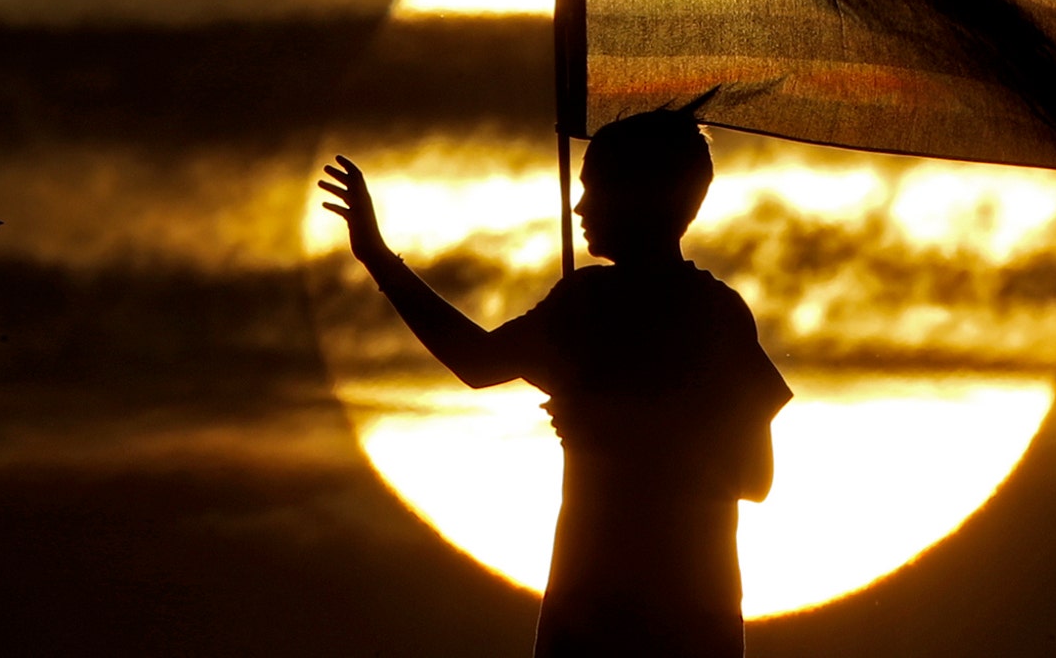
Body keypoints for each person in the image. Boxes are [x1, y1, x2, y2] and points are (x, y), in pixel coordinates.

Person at [319, 108, 791, 657]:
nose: (580, 206)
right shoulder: (676, 309)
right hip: (652, 614)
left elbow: (753, 477)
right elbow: (476, 361)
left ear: (642, 197)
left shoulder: (646, 309)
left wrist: (609, 419)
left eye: (597, 188)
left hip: (637, 614)